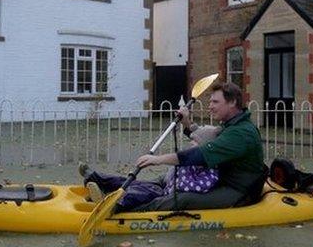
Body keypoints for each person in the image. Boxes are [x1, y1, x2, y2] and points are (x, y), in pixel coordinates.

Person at [132, 81, 265, 211]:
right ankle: (125, 192)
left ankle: (132, 213)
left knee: (183, 199)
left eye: (215, 102)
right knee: (163, 180)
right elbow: (208, 141)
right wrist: (187, 123)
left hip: (238, 190)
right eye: (210, 102)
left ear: (232, 102)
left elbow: (200, 154)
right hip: (222, 180)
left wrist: (158, 160)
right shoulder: (232, 125)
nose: (210, 106)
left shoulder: (241, 133)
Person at [79, 125, 221, 212]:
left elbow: (191, 187)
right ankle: (95, 178)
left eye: (195, 142)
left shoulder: (211, 173)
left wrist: (181, 166)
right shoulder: (193, 160)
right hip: (165, 185)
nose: (191, 143)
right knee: (131, 182)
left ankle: (111, 203)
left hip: (165, 194)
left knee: (140, 193)